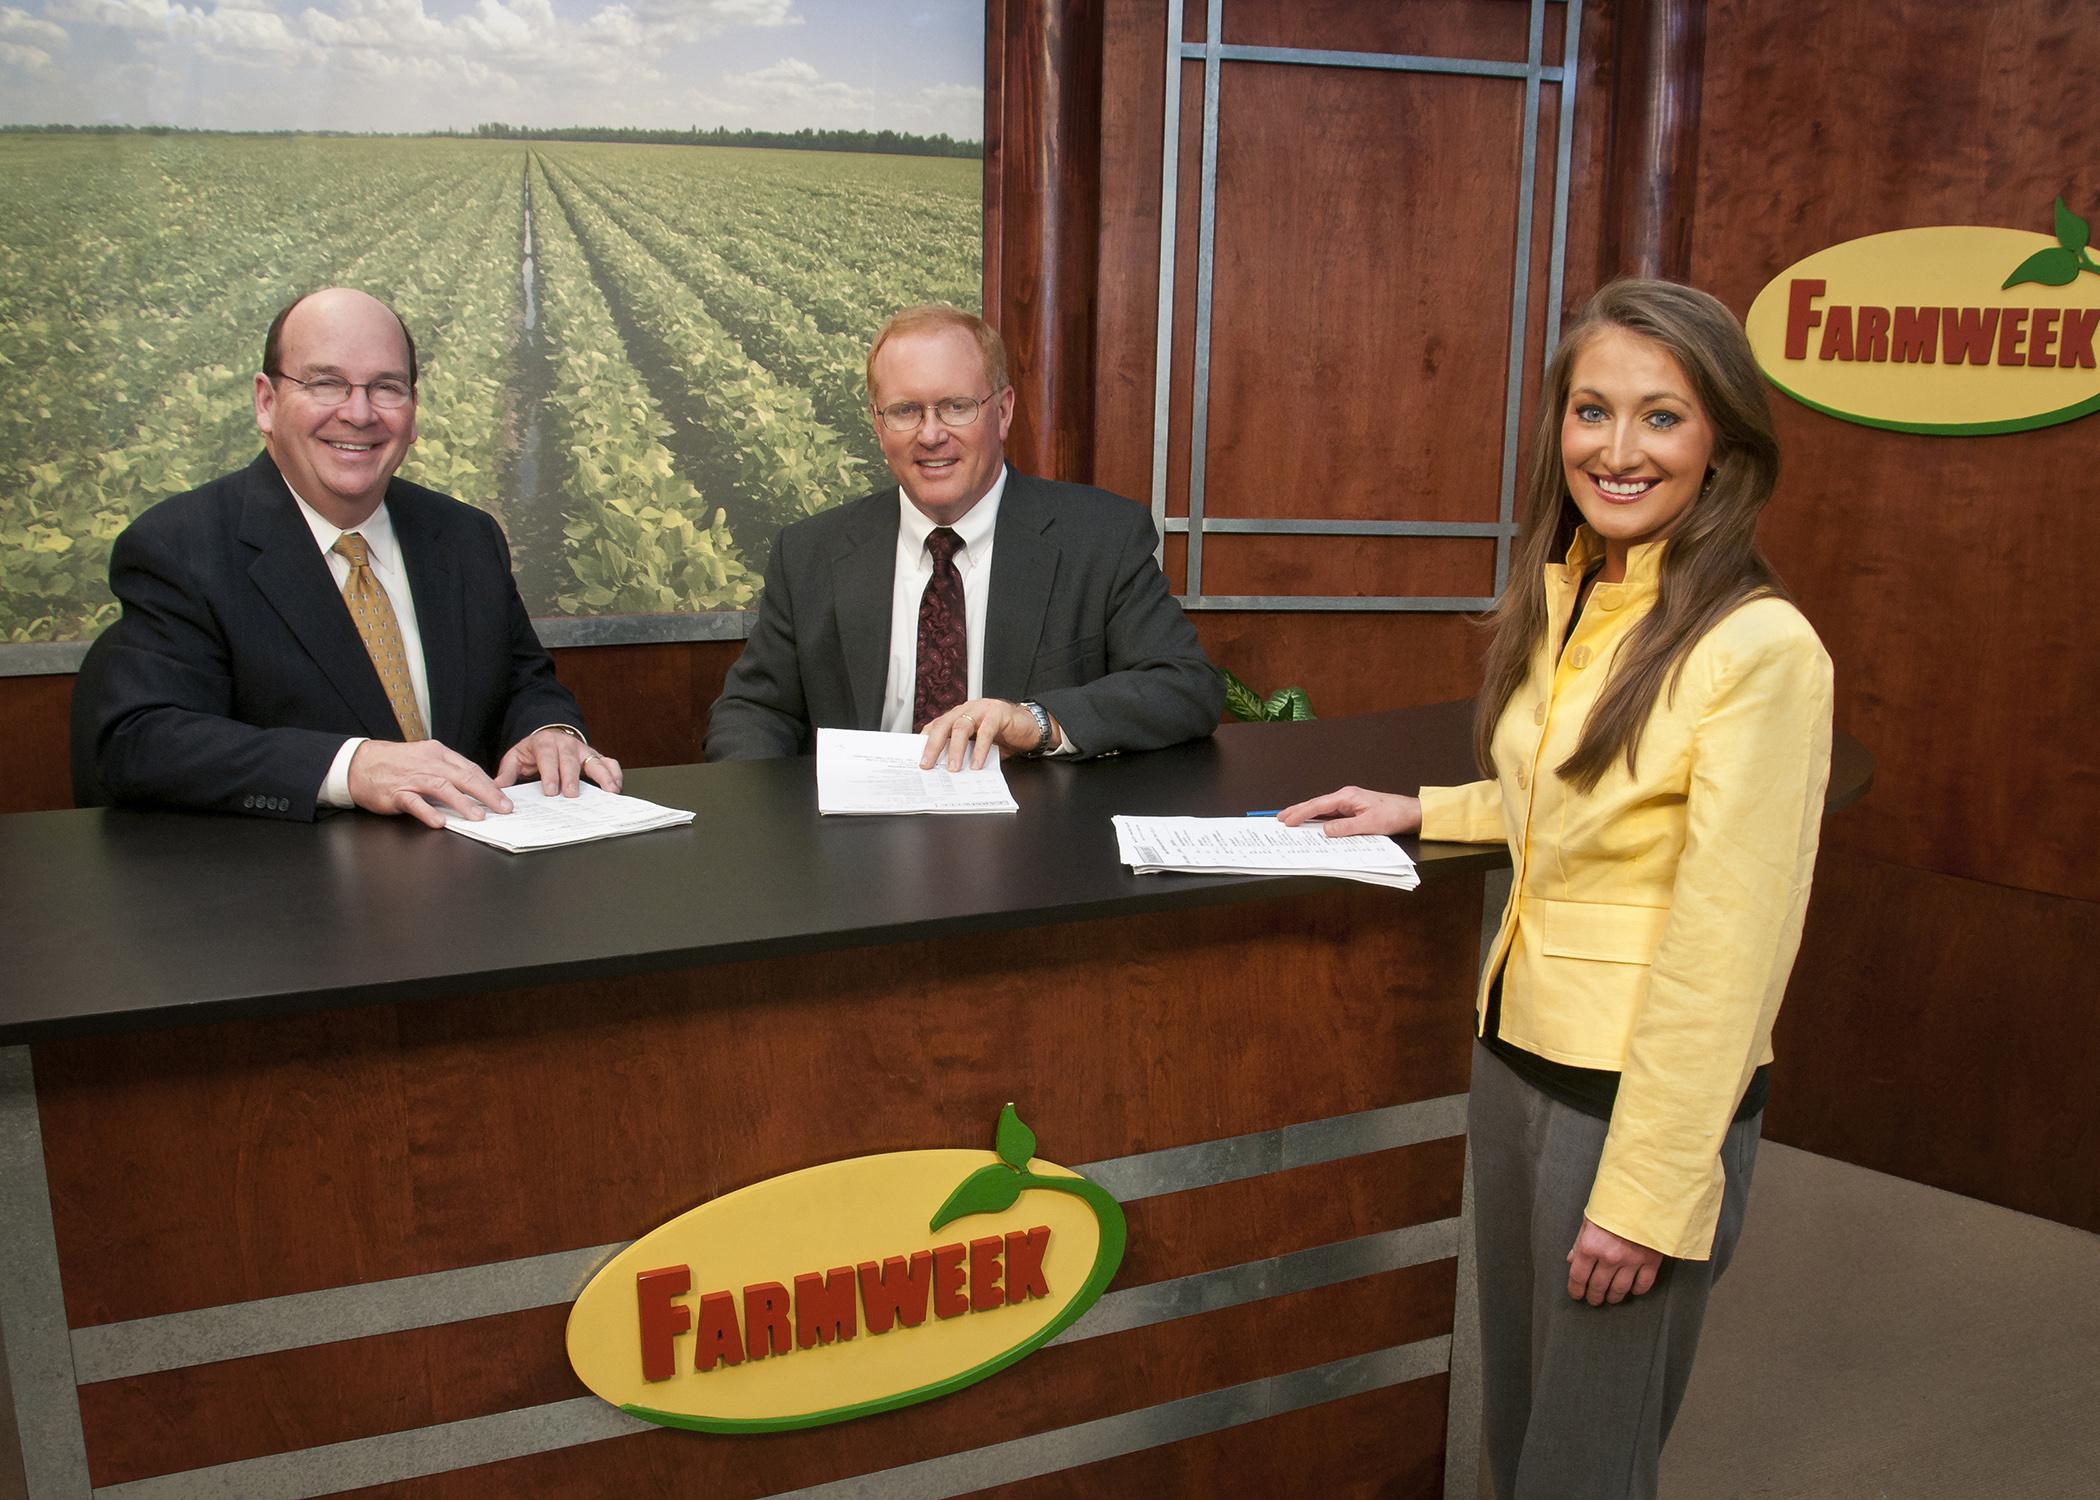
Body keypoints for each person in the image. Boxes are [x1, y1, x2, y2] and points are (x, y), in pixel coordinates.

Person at [1281, 280, 1833, 1498]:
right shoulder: (1583, 586)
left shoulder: (1761, 648)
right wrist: (1432, 812)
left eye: (1662, 418)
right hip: (1517, 1054)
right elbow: (1585, 806)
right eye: (1593, 411)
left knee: (1587, 1454)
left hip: (1632, 1104)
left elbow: (1731, 947)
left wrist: (1646, 1195)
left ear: (1724, 443)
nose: (1618, 450)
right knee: (1521, 1419)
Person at [92, 287, 619, 826]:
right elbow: (140, 741)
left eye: (386, 388)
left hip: (475, 884)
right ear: (266, 403)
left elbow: (523, 682)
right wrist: (351, 767)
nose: (359, 413)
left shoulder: (466, 537)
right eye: (326, 383)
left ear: (412, 414)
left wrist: (547, 731)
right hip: (290, 894)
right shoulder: (178, 545)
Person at [704, 304, 1222, 767]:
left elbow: (1184, 687)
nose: (931, 434)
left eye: (956, 406)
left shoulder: (1101, 537)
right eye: (906, 411)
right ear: (877, 425)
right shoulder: (810, 553)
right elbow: (754, 711)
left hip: (1033, 847)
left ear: (1002, 411)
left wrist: (1037, 722)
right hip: (854, 850)